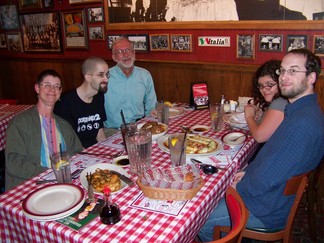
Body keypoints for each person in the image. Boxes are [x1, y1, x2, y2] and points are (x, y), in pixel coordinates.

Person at [198, 48, 324, 242]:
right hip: (269, 197)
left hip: (266, 208)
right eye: (282, 71)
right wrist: (248, 173)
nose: (284, 77)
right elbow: (272, 157)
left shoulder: (303, 123)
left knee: (201, 219)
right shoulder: (299, 110)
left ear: (311, 77)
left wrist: (239, 185)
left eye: (293, 71)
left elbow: (270, 178)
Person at [5, 69, 83, 191]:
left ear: (60, 92)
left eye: (57, 86)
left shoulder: (63, 124)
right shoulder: (20, 122)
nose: (52, 90)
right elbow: (14, 164)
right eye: (47, 85)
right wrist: (50, 173)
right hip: (30, 185)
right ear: (37, 88)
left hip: (61, 183)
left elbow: (78, 152)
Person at [104, 36, 157, 129]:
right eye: (120, 52)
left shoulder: (145, 75)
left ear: (134, 53)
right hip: (112, 131)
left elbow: (152, 107)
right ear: (114, 57)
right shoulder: (105, 77)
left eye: (128, 50)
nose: (125, 54)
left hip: (140, 128)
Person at [54, 57, 108, 148]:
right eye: (101, 75)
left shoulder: (99, 96)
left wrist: (106, 149)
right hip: (74, 151)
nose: (106, 79)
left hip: (93, 149)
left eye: (107, 75)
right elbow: (68, 141)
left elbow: (99, 131)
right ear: (88, 77)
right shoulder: (65, 102)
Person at [244, 60, 288, 143]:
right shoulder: (275, 101)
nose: (264, 89)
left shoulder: (280, 102)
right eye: (260, 85)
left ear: (281, 82)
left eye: (270, 84)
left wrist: (249, 117)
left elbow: (259, 137)